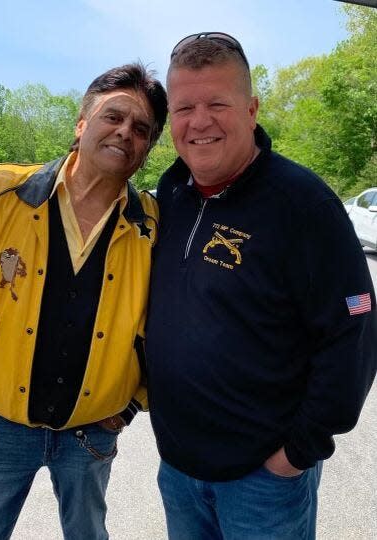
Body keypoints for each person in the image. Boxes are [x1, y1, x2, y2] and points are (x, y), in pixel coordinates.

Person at [146, 32, 377, 540]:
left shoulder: (303, 205)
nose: (199, 121)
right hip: (178, 469)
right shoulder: (172, 192)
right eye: (184, 107)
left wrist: (297, 452)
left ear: (251, 109)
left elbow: (354, 330)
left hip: (263, 482)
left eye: (217, 103)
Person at [0, 62, 167, 540]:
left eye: (141, 129)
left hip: (91, 435)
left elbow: (169, 323)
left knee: (87, 534)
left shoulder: (153, 224)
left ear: (147, 149)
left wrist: (133, 405)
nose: (125, 132)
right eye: (112, 116)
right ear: (81, 124)